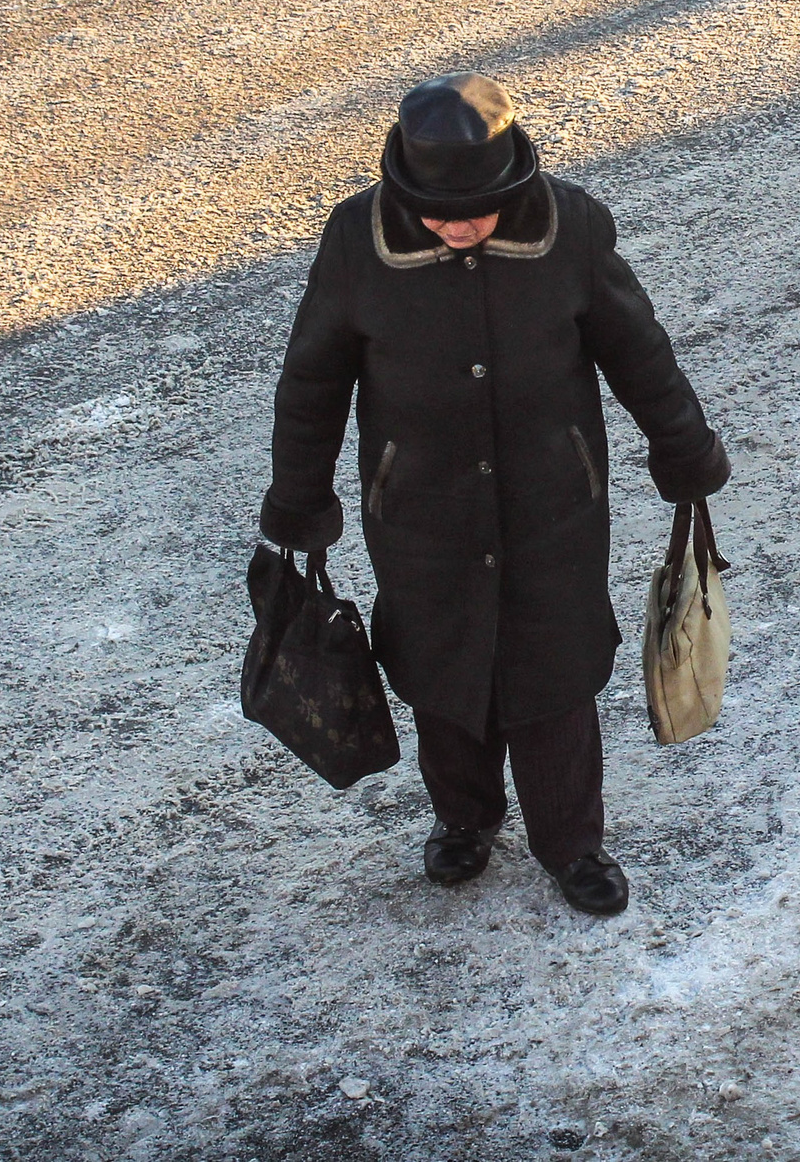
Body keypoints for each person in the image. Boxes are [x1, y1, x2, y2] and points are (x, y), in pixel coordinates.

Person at [261, 73, 729, 916]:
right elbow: (312, 378)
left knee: (552, 677)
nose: (459, 227)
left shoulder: (571, 225)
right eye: (440, 215)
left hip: (555, 504)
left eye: (477, 210)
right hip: (419, 512)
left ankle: (572, 841)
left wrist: (683, 447)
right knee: (443, 674)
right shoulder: (355, 240)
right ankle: (464, 818)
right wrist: (300, 497)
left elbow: (638, 349)